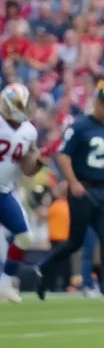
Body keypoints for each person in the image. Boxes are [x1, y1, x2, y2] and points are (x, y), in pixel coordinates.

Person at [35, 83, 104, 304]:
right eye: (103, 103)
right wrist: (73, 182)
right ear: (95, 102)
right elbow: (63, 156)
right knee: (74, 242)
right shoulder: (79, 126)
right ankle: (44, 268)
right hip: (83, 189)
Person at [0, 84, 42, 301]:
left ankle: (5, 284)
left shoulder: (28, 131)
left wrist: (37, 163)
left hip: (4, 192)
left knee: (25, 237)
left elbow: (27, 167)